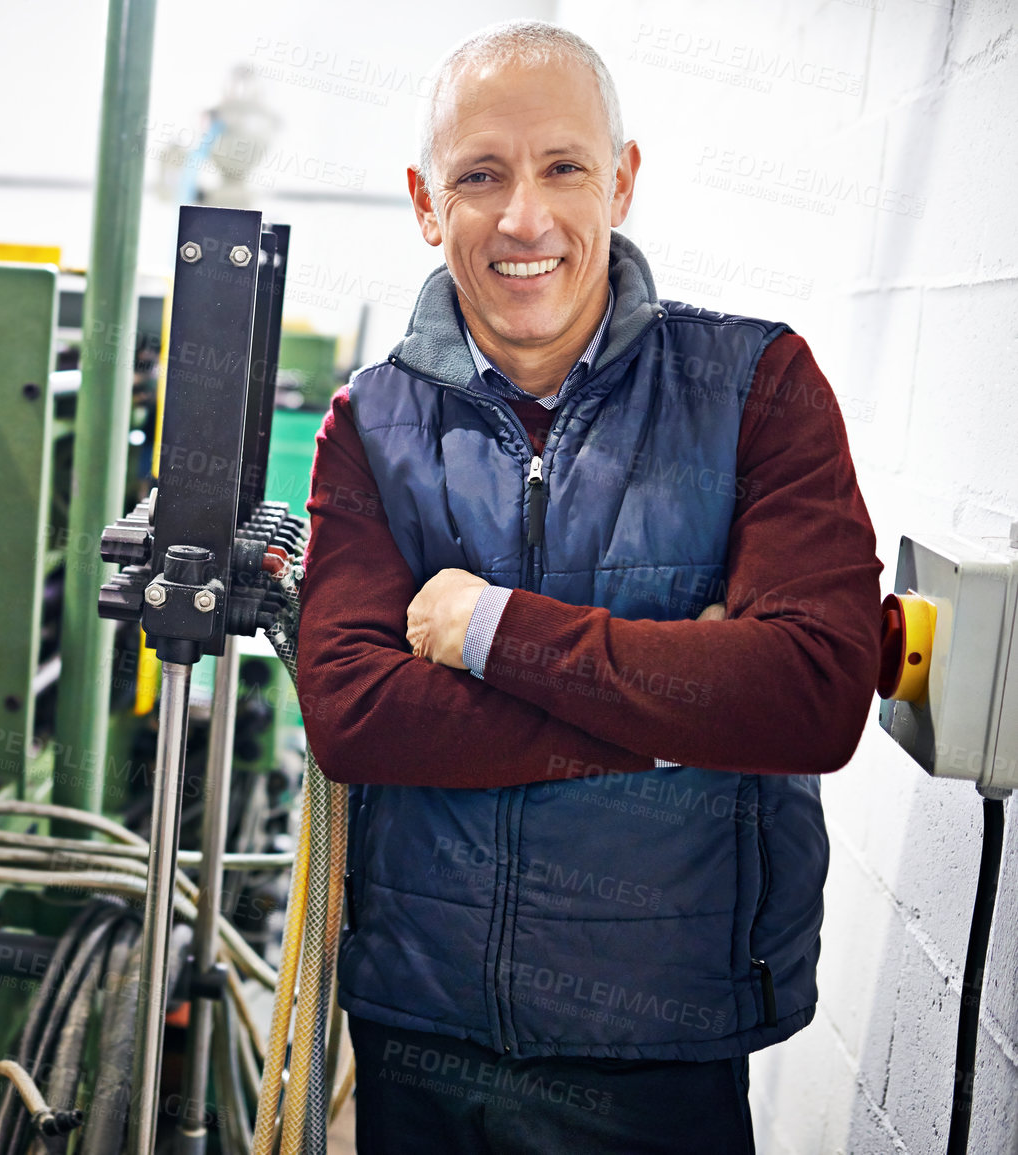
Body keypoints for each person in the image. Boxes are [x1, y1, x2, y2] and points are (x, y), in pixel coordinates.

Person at [294, 20, 883, 1153]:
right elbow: (352, 714)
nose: (525, 218)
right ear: (427, 202)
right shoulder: (370, 422)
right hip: (421, 1034)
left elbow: (811, 695)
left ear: (621, 180)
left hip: (660, 1051)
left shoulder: (757, 387)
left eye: (564, 167)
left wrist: (489, 628)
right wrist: (675, 713)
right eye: (481, 176)